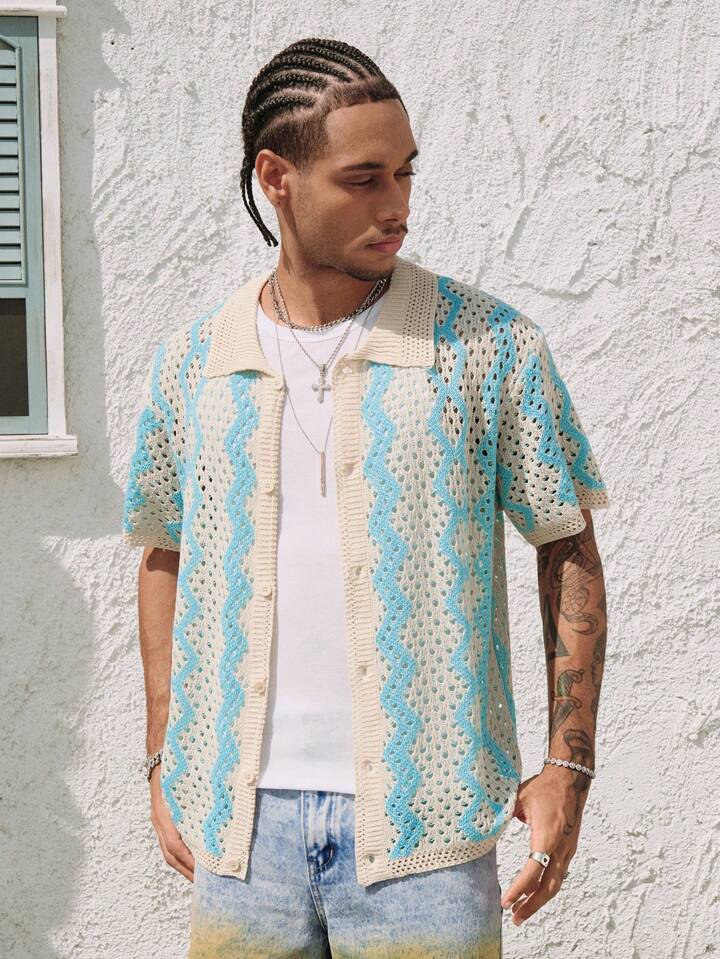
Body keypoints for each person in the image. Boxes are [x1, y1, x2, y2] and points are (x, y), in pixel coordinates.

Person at [123, 36, 610, 959]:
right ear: (277, 178)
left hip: (429, 839)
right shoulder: (197, 362)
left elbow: (566, 543)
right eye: (365, 179)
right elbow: (163, 550)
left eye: (406, 172)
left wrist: (568, 763)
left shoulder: (486, 346)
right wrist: (161, 753)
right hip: (241, 836)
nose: (398, 206)